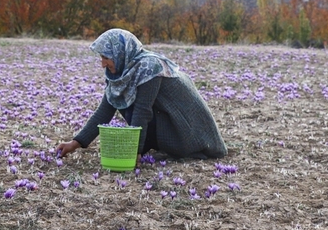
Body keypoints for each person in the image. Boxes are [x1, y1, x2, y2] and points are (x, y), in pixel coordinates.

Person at [56, 29, 226, 163]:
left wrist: (135, 152)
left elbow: (142, 112)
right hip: (168, 122)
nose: (102, 64)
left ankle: (169, 148)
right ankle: (148, 144)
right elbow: (104, 111)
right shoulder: (121, 72)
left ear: (119, 53)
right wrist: (75, 143)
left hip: (186, 131)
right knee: (123, 100)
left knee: (133, 107)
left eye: (106, 57)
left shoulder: (149, 67)